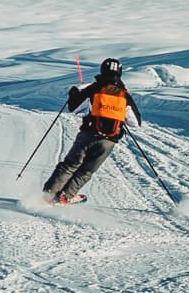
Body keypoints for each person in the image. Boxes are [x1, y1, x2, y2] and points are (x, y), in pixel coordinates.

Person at [42, 57, 143, 204]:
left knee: (70, 165)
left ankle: (48, 196)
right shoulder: (124, 95)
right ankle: (65, 197)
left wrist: (74, 93)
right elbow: (136, 123)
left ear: (102, 70)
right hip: (108, 142)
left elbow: (74, 108)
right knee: (86, 171)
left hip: (88, 134)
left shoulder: (95, 88)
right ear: (120, 73)